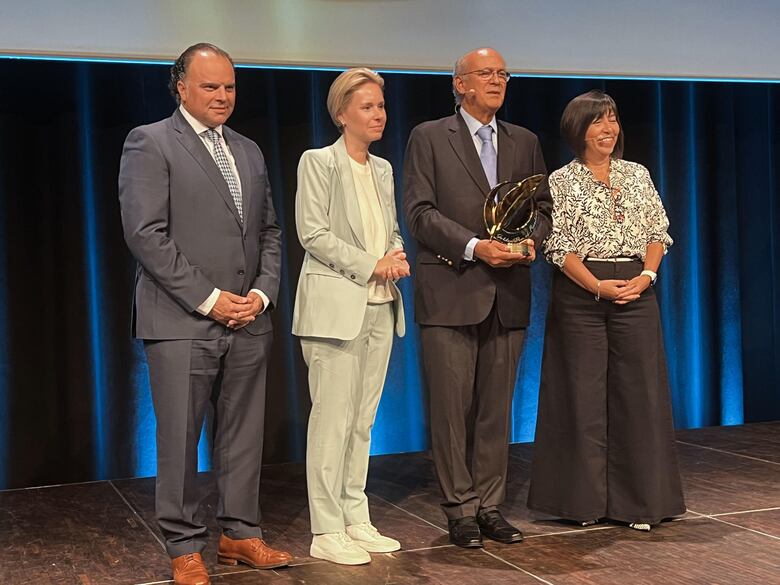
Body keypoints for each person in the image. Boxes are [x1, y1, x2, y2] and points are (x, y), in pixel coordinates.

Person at [118, 43, 292, 585]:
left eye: (230, 87)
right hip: (182, 320)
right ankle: (183, 544)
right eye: (211, 86)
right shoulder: (150, 141)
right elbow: (145, 235)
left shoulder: (249, 149)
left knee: (242, 434)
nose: (222, 96)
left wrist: (261, 295)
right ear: (182, 88)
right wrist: (210, 298)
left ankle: (240, 533)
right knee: (178, 438)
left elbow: (268, 232)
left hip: (248, 318)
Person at [402, 47, 552, 548]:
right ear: (460, 85)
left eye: (503, 73)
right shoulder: (428, 137)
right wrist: (475, 247)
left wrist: (531, 243)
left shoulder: (524, 141)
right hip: (451, 289)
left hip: (508, 293)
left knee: (496, 409)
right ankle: (459, 509)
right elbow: (420, 213)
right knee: (450, 409)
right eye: (485, 74)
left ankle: (490, 506)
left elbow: (544, 209)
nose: (496, 80)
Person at [527, 89, 686, 531]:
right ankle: (581, 503)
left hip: (636, 291)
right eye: (598, 121)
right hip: (582, 295)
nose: (609, 129)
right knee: (581, 397)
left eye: (613, 120)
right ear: (578, 129)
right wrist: (597, 286)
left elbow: (658, 230)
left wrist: (647, 276)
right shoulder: (560, 181)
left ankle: (640, 505)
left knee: (640, 396)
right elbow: (557, 248)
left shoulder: (637, 175)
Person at [292, 68, 409, 565]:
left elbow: (391, 229)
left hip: (381, 308)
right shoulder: (318, 162)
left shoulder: (381, 169)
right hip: (335, 309)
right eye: (367, 106)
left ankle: (354, 516)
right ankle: (326, 529)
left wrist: (397, 254)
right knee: (332, 422)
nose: (378, 114)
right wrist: (371, 265)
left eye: (380, 106)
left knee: (362, 422)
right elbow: (312, 233)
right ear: (342, 114)